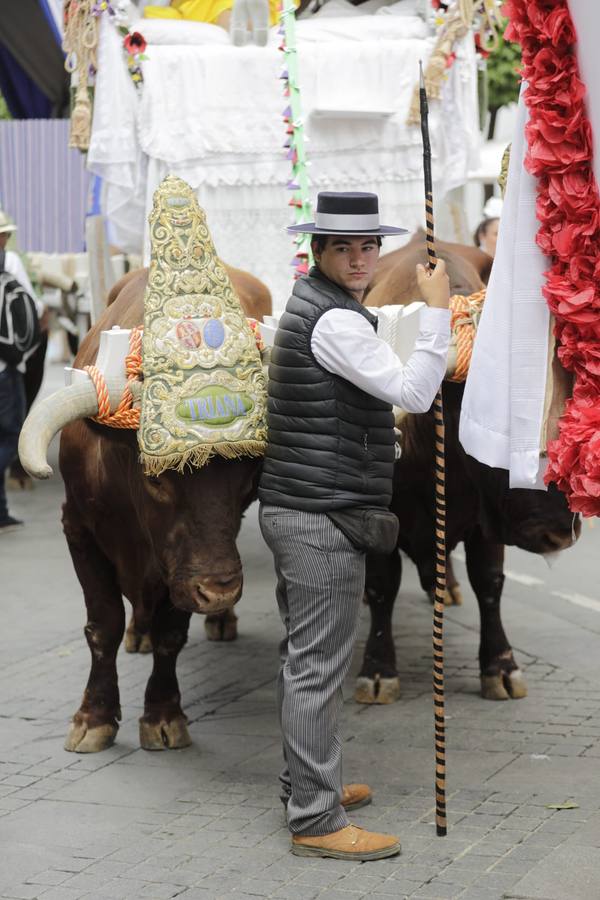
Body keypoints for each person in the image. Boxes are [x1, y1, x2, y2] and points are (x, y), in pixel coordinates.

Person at [258, 191, 451, 861]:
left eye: (368, 245)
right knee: (317, 669)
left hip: (304, 508)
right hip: (320, 518)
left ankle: (307, 786)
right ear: (320, 251)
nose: (360, 257)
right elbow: (416, 394)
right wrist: (438, 310)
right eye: (344, 247)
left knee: (303, 663)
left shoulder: (323, 306)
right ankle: (315, 818)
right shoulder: (336, 323)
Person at [0, 211, 43, 532]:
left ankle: (1, 513)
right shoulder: (10, 262)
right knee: (12, 433)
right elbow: (34, 307)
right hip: (5, 365)